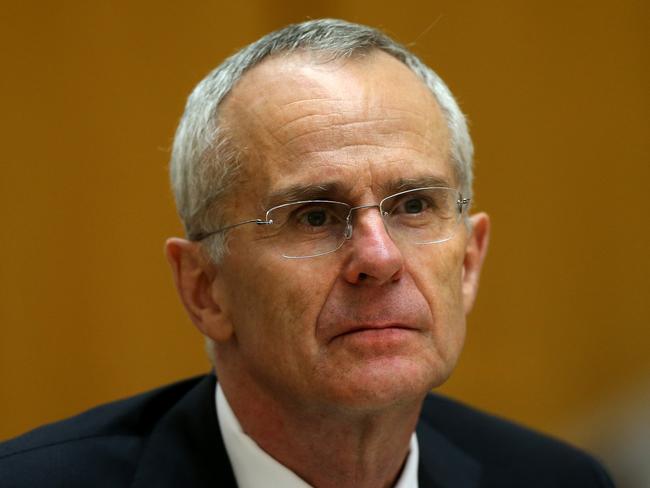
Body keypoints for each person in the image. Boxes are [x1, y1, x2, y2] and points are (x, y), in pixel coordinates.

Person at [0, 19, 614, 488]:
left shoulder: (556, 479)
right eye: (314, 216)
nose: (379, 257)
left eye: (413, 206)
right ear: (204, 288)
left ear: (471, 260)